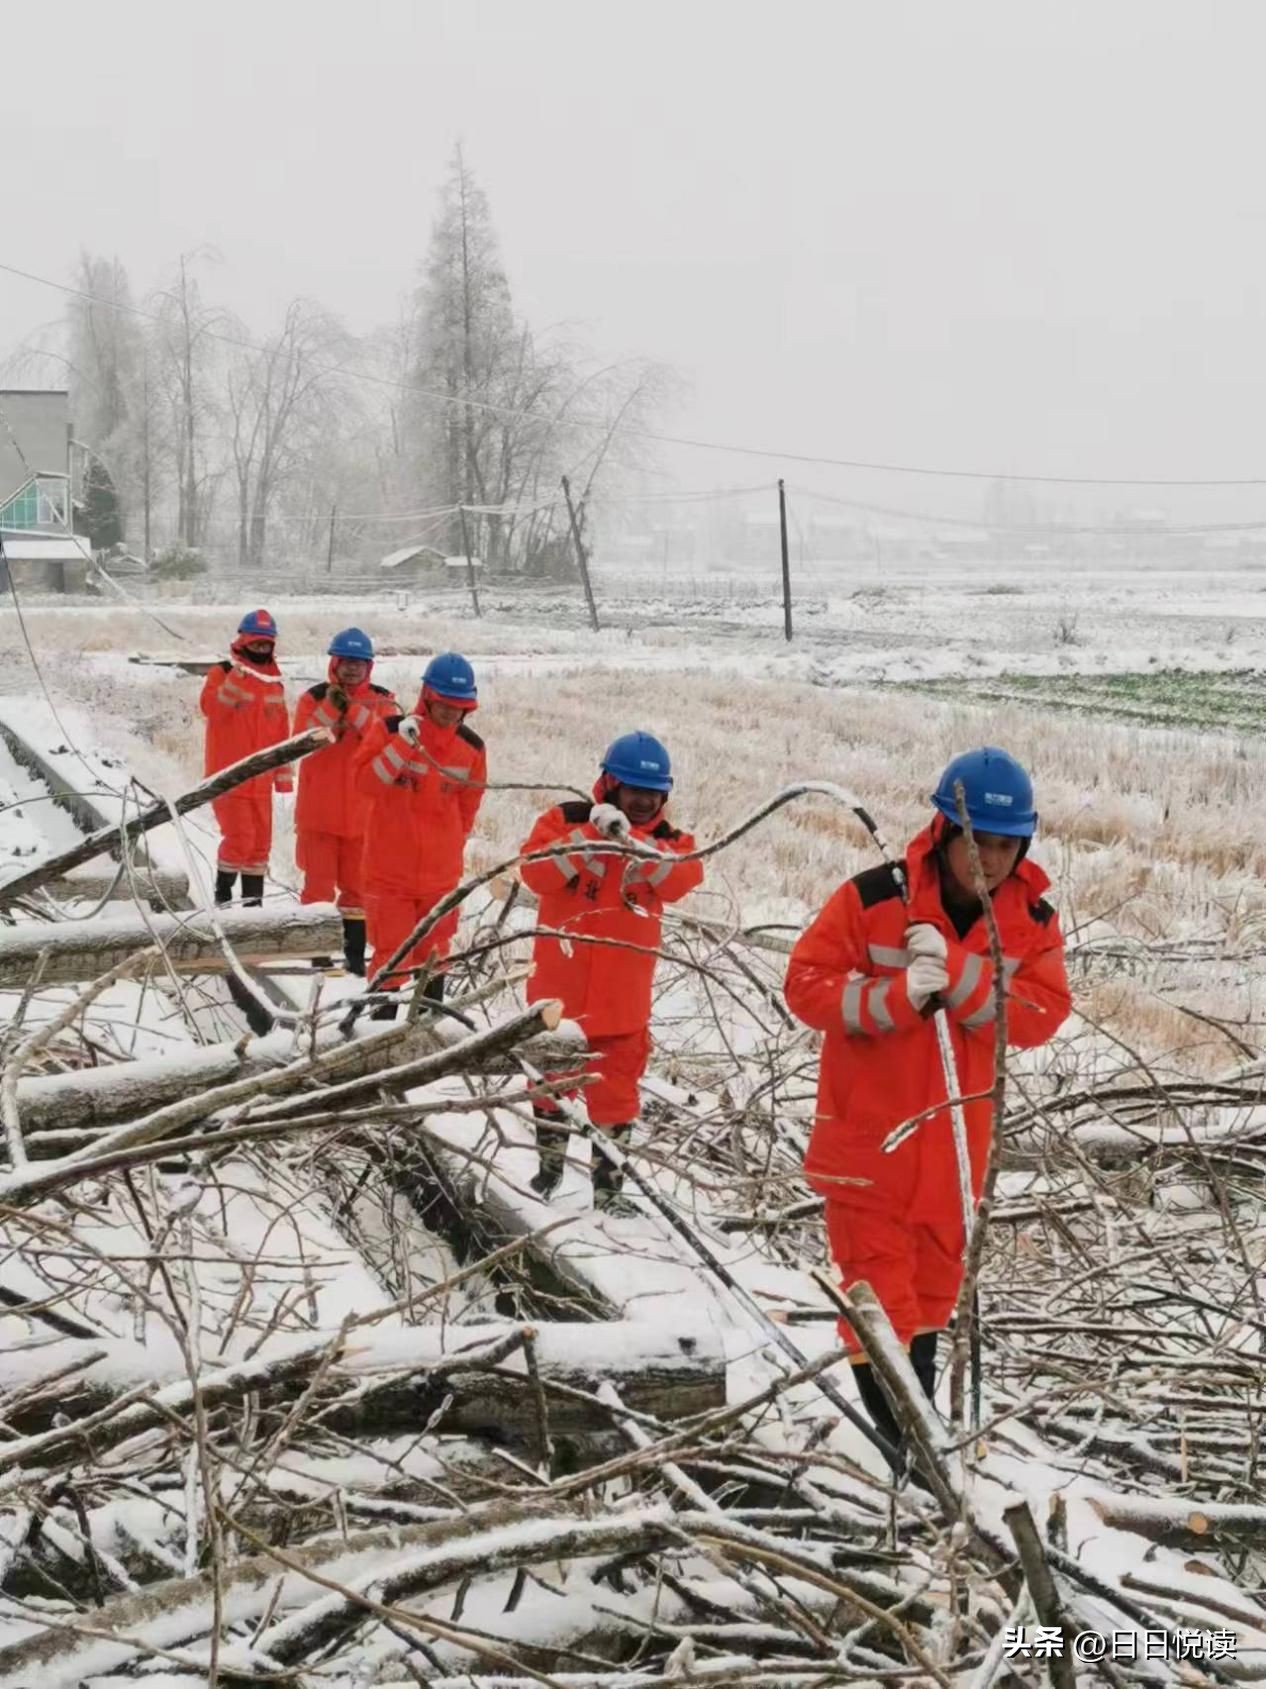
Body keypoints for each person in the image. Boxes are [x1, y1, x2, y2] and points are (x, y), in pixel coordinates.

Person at [783, 747, 1071, 1468]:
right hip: (868, 1151)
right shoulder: (876, 899)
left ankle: (918, 1458)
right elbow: (805, 985)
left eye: (1007, 846)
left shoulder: (1031, 920)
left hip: (956, 1161)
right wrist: (897, 998)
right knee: (879, 1317)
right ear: (942, 832)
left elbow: (1040, 1013)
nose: (991, 861)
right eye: (978, 843)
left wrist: (962, 977)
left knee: (933, 1309)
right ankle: (910, 1462)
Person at [518, 731, 703, 1213]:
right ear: (608, 785)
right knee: (549, 1087)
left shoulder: (671, 843)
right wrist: (590, 837)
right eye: (633, 789)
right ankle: (548, 1173)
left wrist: (631, 840)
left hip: (622, 1007)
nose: (643, 800)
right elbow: (535, 874)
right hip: (559, 998)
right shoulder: (564, 821)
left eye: (653, 792)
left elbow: (682, 879)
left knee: (616, 1100)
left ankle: (608, 1193)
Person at [353, 652, 485, 1015]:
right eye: (443, 704)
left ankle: (429, 1045)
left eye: (458, 707)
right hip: (388, 872)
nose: (449, 712)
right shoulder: (390, 730)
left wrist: (449, 847)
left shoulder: (472, 748)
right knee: (391, 959)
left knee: (435, 957)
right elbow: (366, 784)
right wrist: (401, 746)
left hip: (440, 878)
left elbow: (468, 806)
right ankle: (377, 1043)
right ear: (427, 696)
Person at [292, 628, 398, 975]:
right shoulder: (312, 698)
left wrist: (352, 711)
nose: (352, 669)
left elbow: (385, 741)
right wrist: (329, 708)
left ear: (369, 666)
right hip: (318, 815)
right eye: (346, 662)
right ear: (334, 663)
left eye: (359, 663)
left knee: (358, 891)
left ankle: (354, 962)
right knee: (318, 888)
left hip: (362, 816)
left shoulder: (384, 701)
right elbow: (302, 740)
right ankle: (318, 958)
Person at [200, 609, 292, 906]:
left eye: (266, 644)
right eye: (256, 643)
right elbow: (211, 709)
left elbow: (281, 733)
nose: (261, 649)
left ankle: (254, 909)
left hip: (260, 781)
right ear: (243, 642)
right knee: (239, 839)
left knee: (260, 846)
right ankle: (223, 900)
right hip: (229, 776)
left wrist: (282, 779)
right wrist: (237, 680)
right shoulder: (223, 673)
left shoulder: (274, 682)